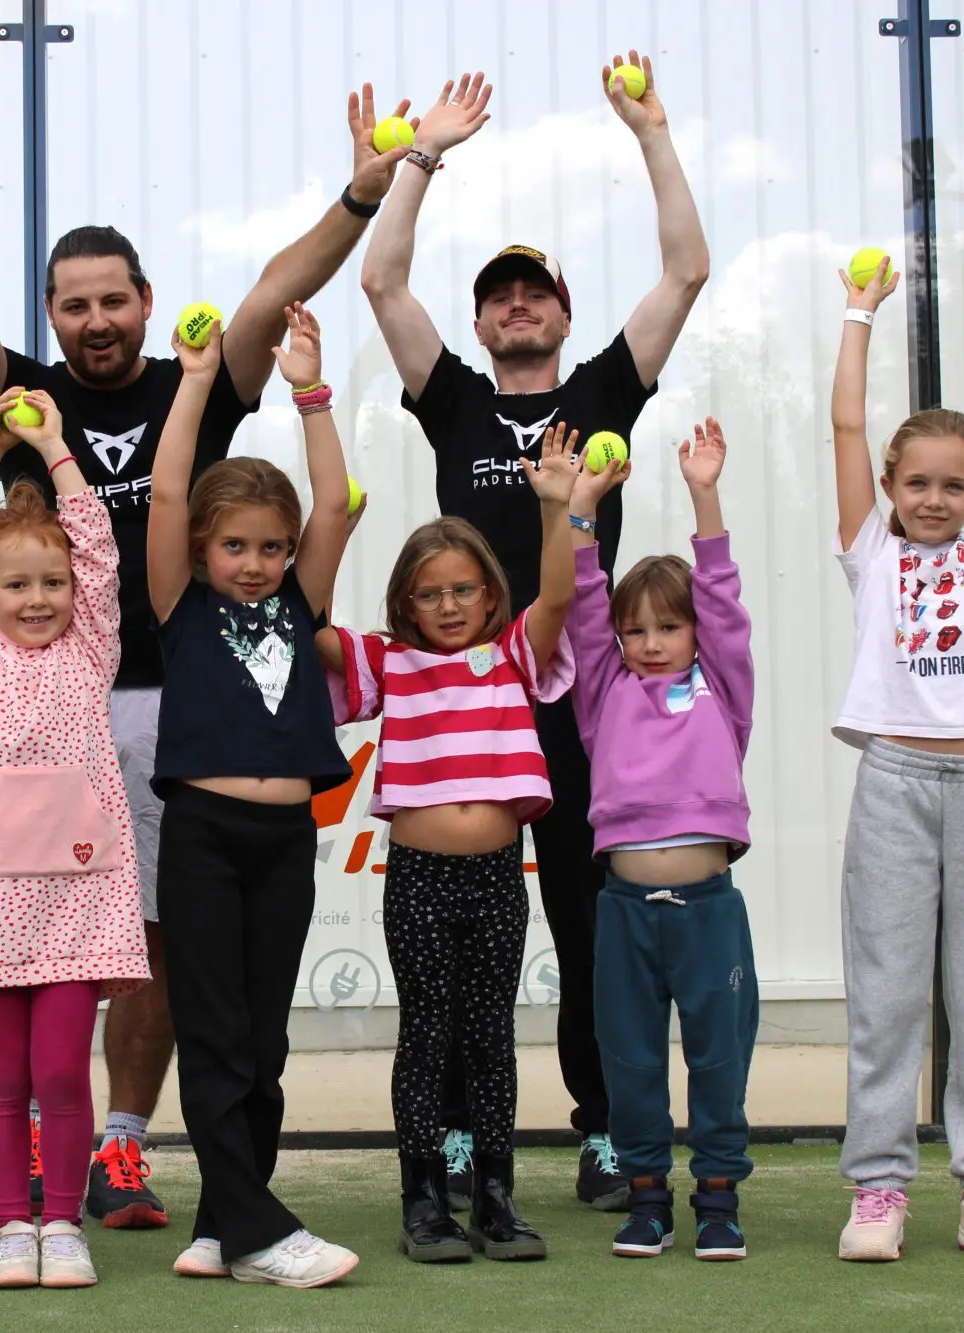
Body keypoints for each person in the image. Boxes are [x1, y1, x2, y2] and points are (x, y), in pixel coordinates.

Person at [0, 94, 415, 1226]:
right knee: (51, 946)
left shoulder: (197, 380)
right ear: (52, 312)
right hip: (50, 725)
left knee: (150, 946)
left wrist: (362, 192)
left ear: (143, 302)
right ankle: (46, 1144)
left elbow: (272, 289)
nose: (95, 321)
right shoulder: (21, 395)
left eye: (112, 301)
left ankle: (120, 1146)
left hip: (182, 711)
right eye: (74, 305)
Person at [358, 60, 709, 1210]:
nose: (517, 306)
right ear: (478, 320)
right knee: (458, 947)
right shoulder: (453, 399)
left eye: (535, 294)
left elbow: (685, 271)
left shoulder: (604, 391)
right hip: (466, 709)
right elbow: (380, 280)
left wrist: (651, 133)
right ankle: (456, 1148)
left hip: (580, 704)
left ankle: (606, 1133)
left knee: (590, 926)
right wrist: (420, 158)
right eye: (499, 295)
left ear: (559, 312)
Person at [829, 244, 964, 1264]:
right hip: (895, 783)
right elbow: (842, 422)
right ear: (887, 485)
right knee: (884, 993)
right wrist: (857, 313)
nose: (930, 498)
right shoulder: (870, 548)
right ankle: (877, 1189)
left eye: (950, 485)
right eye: (913, 482)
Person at [319, 428, 580, 1264]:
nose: (450, 605)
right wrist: (335, 530)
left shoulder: (509, 656)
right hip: (421, 878)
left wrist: (555, 508)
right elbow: (313, 620)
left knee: (491, 1033)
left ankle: (496, 1197)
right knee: (427, 1032)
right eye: (430, 593)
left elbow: (562, 599)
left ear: (491, 595)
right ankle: (423, 1197)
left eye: (465, 589)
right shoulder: (390, 663)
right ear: (406, 603)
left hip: (499, 875)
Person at [146, 305, 357, 1287]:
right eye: (235, 546)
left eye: (271, 547)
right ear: (200, 548)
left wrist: (309, 390)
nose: (257, 563)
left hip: (282, 841)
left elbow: (336, 498)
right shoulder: (177, 603)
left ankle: (224, 1221)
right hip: (199, 835)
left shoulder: (295, 601)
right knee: (215, 1033)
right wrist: (194, 380)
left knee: (260, 1040)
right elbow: (165, 487)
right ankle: (262, 1230)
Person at [0, 387, 152, 1290]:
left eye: (51, 583)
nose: (38, 598)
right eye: (15, 584)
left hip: (76, 895)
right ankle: (7, 1226)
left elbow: (97, 546)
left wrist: (58, 449)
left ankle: (61, 1221)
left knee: (62, 1073)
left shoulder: (90, 649)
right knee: (2, 1081)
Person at [564, 419, 760, 1262]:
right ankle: (647, 1197)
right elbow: (579, 607)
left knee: (718, 1061)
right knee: (633, 1064)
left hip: (709, 912)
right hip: (625, 911)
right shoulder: (603, 691)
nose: (650, 642)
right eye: (636, 629)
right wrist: (579, 511)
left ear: (692, 637)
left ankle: (717, 1195)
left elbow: (722, 606)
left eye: (667, 628)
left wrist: (703, 495)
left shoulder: (721, 686)